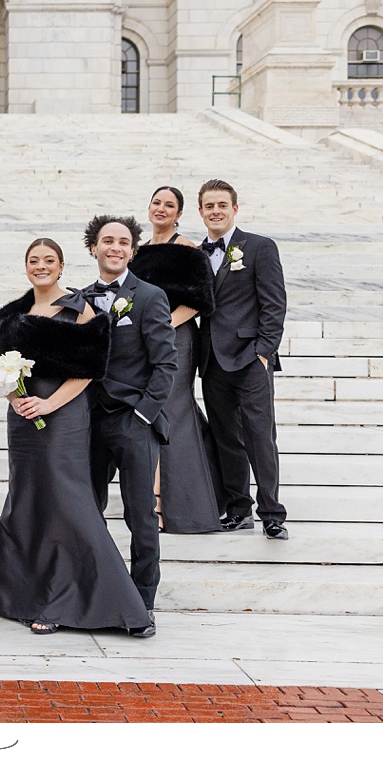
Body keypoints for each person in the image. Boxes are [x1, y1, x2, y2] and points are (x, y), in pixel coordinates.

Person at [0, 239, 152, 637]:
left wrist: (48, 405)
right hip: (24, 420)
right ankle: (23, 595)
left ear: (61, 266)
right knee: (29, 500)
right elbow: (3, 369)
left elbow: (89, 370)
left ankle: (86, 601)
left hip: (64, 416)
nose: (40, 266)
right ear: (26, 266)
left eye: (48, 261)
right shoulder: (14, 315)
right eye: (33, 261)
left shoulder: (81, 308)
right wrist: (16, 398)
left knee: (66, 503)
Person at [83, 214, 177, 634]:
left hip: (133, 421)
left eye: (123, 241)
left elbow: (165, 365)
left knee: (141, 515)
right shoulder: (79, 298)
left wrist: (142, 415)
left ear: (133, 250)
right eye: (107, 241)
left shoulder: (151, 296)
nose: (115, 247)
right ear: (94, 248)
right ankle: (93, 593)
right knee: (87, 512)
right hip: (87, 425)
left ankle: (143, 603)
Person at [196, 179, 290, 539]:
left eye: (222, 205)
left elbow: (274, 303)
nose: (216, 211)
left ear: (235, 208)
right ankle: (238, 509)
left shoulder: (259, 247)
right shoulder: (198, 254)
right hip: (214, 362)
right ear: (201, 212)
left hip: (251, 358)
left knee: (259, 437)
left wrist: (264, 353)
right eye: (209, 206)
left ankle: (272, 513)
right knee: (226, 438)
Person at [128, 185, 223, 534]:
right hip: (143, 343)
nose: (162, 209)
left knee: (173, 410)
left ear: (180, 214)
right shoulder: (137, 251)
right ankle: (158, 498)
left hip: (176, 339)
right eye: (157, 203)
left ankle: (176, 506)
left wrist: (161, 326)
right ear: (149, 207)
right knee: (154, 413)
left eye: (170, 205)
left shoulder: (186, 248)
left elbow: (200, 300)